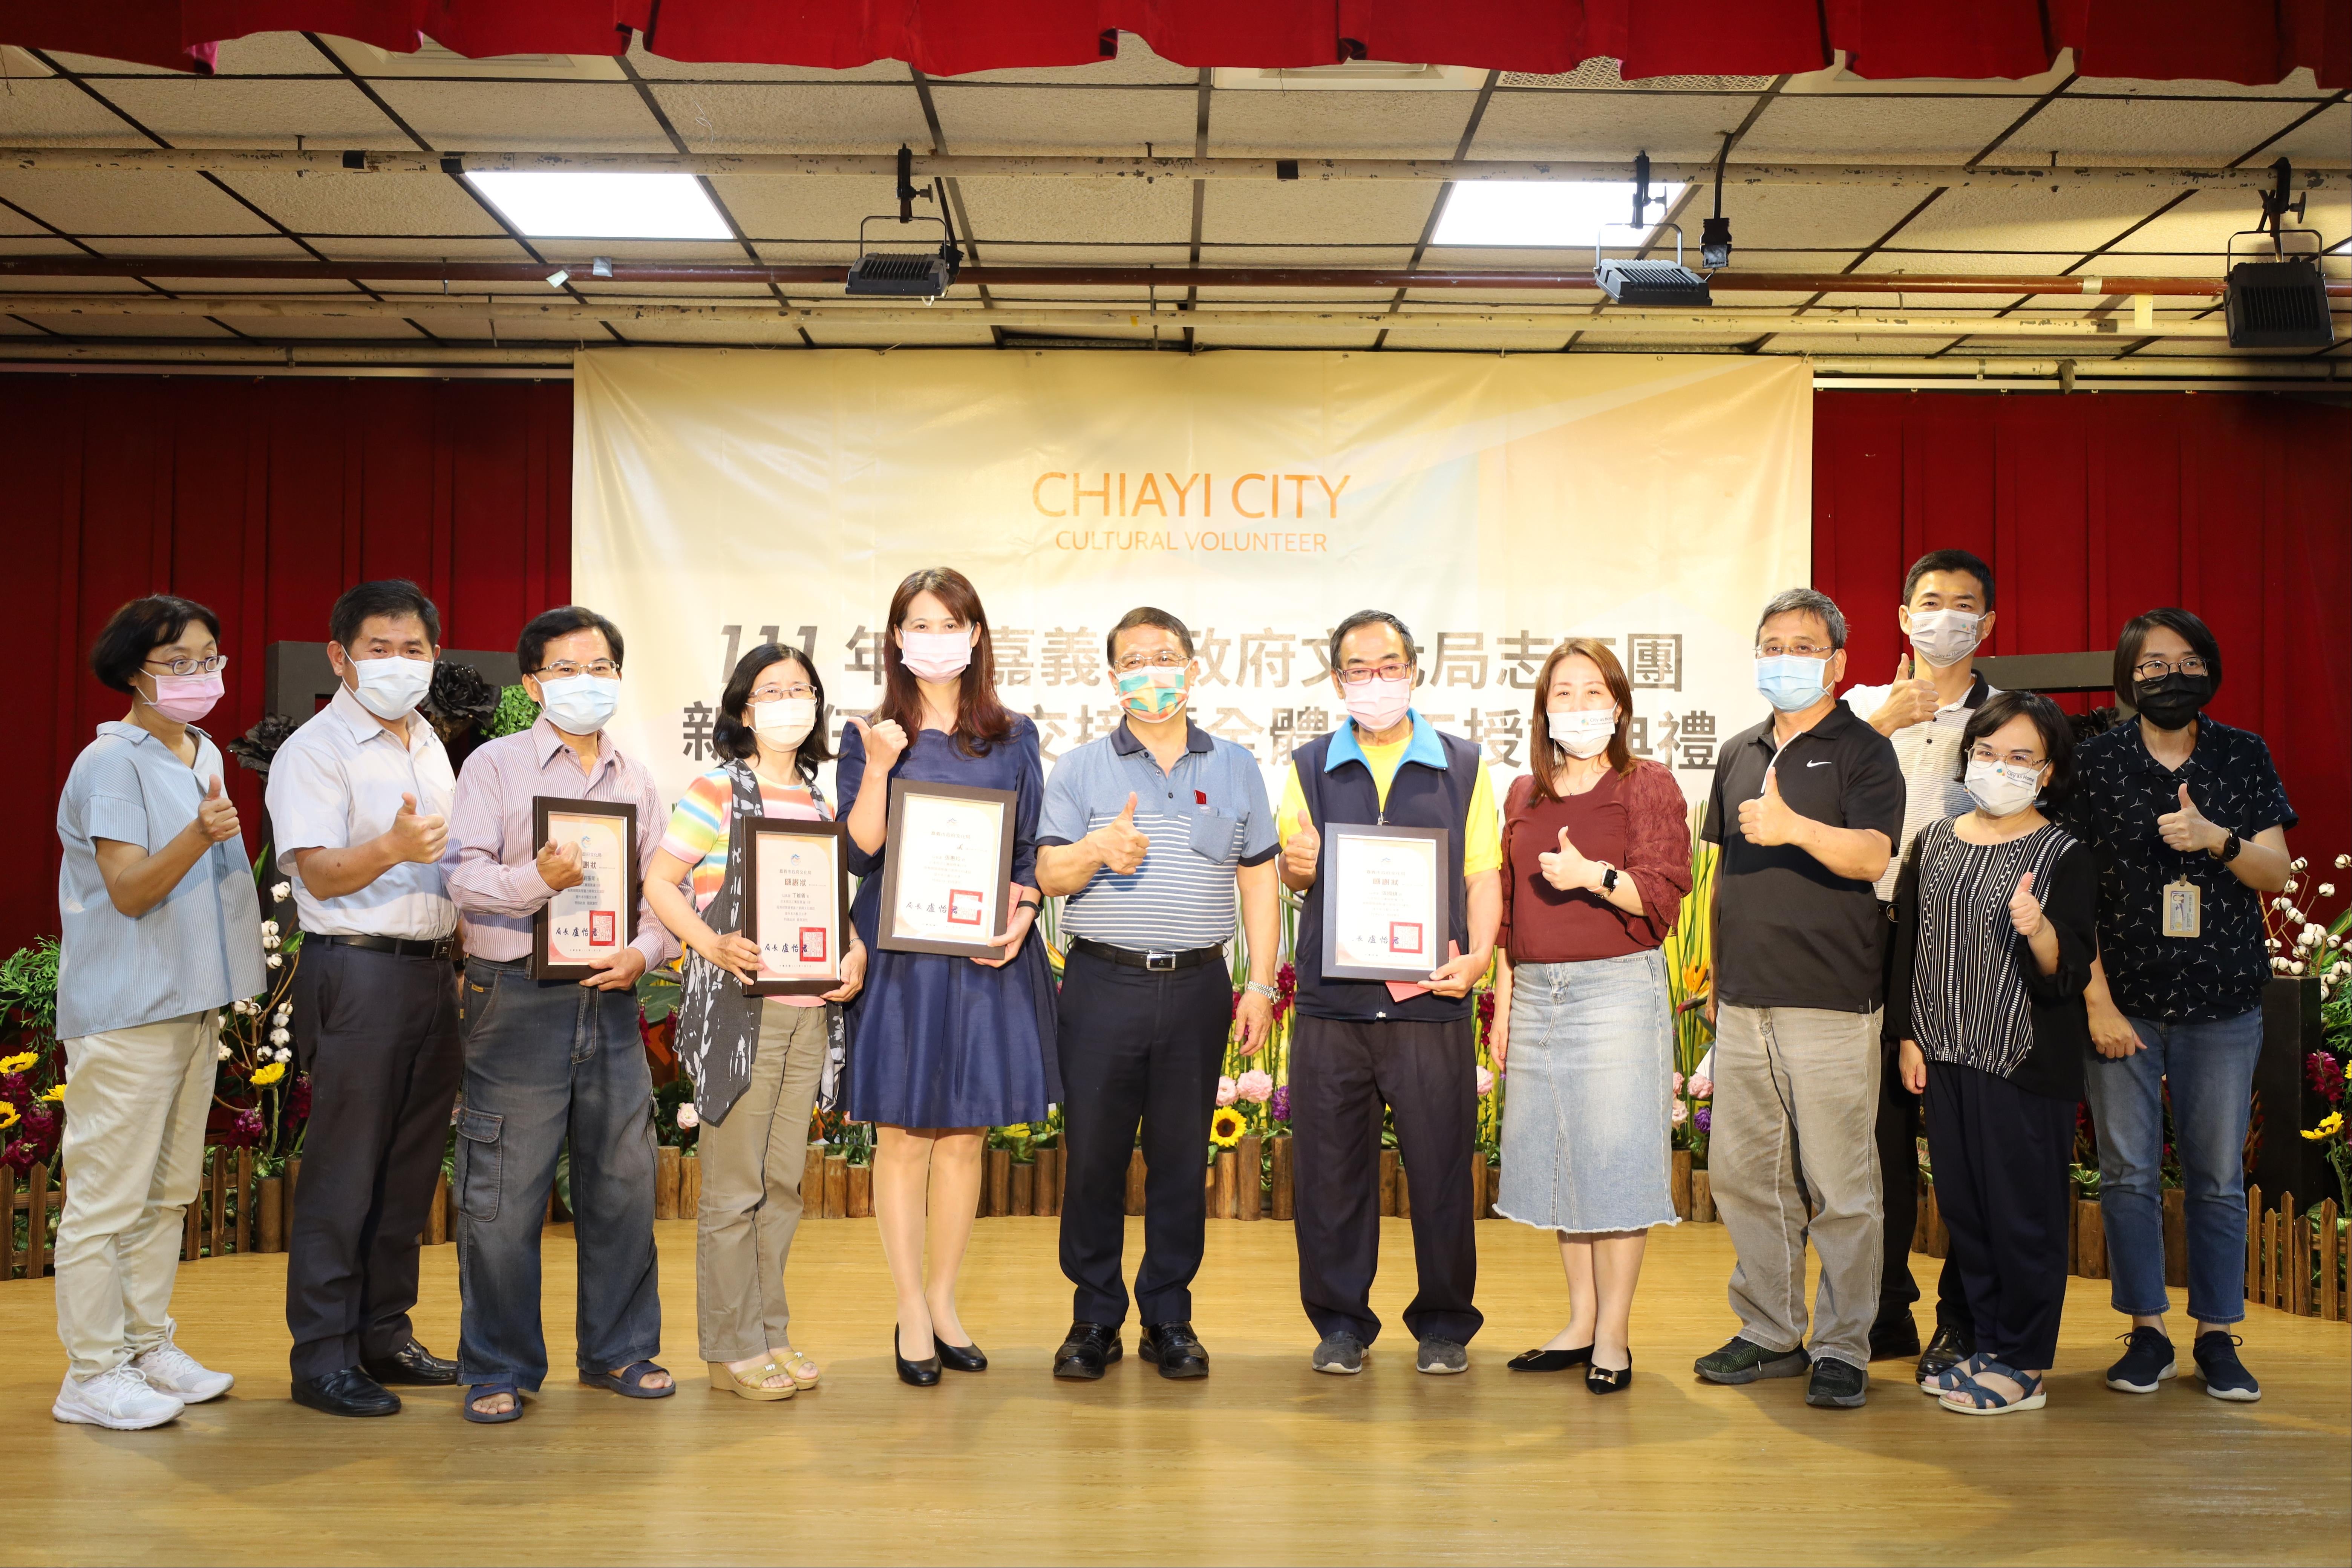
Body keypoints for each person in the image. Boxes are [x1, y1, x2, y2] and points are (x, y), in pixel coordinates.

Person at [443, 605, 679, 1422]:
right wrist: (535, 882)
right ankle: (498, 1364)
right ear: (534, 683)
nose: (588, 681)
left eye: (602, 667)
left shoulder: (636, 779)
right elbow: (461, 875)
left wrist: (643, 953)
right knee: (504, 1192)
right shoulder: (494, 766)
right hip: (516, 997)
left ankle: (620, 1350)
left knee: (622, 1183)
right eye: (568, 669)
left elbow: (663, 894)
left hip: (610, 998)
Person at [1034, 608, 1280, 1382]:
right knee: (1094, 1159)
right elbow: (1048, 875)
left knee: (1181, 1159)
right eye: (1134, 661)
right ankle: (1094, 1318)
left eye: (1165, 656)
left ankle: (1169, 1316)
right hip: (1102, 984)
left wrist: (1260, 982)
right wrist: (1095, 849)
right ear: (1113, 678)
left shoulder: (1236, 765)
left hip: (1200, 986)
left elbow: (1260, 879)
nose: (1152, 672)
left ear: (1193, 669)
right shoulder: (1079, 769)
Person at [835, 567, 1058, 1387]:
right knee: (901, 1137)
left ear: (975, 635)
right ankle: (908, 1309)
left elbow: (1028, 851)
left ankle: (944, 1301)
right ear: (897, 638)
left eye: (949, 623)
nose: (934, 638)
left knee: (965, 1137)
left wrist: (1024, 912)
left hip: (981, 953)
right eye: (918, 625)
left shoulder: (1014, 735)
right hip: (898, 958)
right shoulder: (872, 735)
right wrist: (879, 766)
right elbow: (857, 851)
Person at [2066, 608, 2294, 1403]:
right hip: (2123, 1005)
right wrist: (2096, 1000)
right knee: (2127, 1174)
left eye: (2189, 661)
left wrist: (2216, 838)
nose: (2172, 676)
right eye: (2154, 664)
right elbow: (2072, 895)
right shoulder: (2093, 763)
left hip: (2223, 1001)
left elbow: (2278, 873)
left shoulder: (2243, 753)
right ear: (2129, 677)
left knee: (2218, 1177)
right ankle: (2148, 1331)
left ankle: (2217, 1335)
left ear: (2212, 671)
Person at [48, 596, 262, 1430]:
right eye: (178, 662)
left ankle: (144, 1346)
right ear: (132, 671)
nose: (199, 675)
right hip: (128, 1010)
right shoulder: (111, 763)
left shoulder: (200, 750)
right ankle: (90, 1372)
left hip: (192, 1004)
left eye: (210, 659)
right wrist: (199, 836)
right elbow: (131, 890)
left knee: (166, 1194)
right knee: (106, 1200)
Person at [1692, 587, 1903, 1410]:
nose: (1784, 660)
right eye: (1771, 645)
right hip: (1745, 1002)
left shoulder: (1864, 750)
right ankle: (1771, 1330)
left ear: (1838, 663)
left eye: (1803, 647)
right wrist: (1718, 982)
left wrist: (1797, 828)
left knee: (1841, 1188)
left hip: (1832, 1003)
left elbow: (1874, 857)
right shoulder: (1738, 750)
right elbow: (1724, 877)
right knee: (1746, 1178)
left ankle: (1844, 1345)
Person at [1276, 609, 1501, 1377]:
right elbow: (1292, 867)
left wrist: (1480, 956)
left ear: (1415, 670)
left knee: (1441, 1172)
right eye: (1359, 669)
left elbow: (1482, 874)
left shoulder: (1462, 765)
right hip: (1333, 1007)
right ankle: (1341, 1323)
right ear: (1337, 679)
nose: (1376, 680)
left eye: (1390, 666)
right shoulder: (1310, 766)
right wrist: (1299, 867)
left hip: (1429, 1002)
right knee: (1330, 1175)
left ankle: (1444, 1323)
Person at [644, 642, 868, 1402]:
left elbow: (830, 904)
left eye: (801, 689)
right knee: (734, 1187)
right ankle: (730, 1346)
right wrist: (707, 942)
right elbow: (661, 880)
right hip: (742, 1014)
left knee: (782, 1185)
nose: (789, 702)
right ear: (744, 709)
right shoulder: (716, 789)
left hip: (809, 1014)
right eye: (772, 690)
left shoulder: (820, 802)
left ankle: (770, 1330)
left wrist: (853, 949)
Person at [266, 579, 464, 1417]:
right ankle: (322, 1357)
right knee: (344, 1172)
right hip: (356, 971)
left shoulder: (430, 742)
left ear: (435, 657)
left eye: (413, 649)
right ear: (339, 657)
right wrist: (390, 847)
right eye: (378, 648)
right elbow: (316, 872)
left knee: (408, 1169)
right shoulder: (315, 751)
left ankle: (383, 1334)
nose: (398, 663)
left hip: (432, 972)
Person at [1488, 638, 1692, 1395]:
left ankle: (1614, 1335)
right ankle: (1579, 1323)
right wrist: (1504, 1004)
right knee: (1561, 1161)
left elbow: (1664, 894)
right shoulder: (1523, 793)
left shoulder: (1647, 783)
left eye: (1593, 692)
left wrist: (1592, 877)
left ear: (1619, 706)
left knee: (1612, 1163)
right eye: (1563, 694)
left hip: (1616, 994)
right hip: (1537, 994)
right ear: (1543, 710)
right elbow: (1508, 911)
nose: (1578, 707)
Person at [1888, 692, 2095, 1415]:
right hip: (1944, 1054)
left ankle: (2024, 1363)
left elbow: (2069, 969)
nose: (1999, 767)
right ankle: (1988, 1344)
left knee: (2022, 1216)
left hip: (2022, 1062)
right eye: (1987, 753)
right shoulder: (1933, 842)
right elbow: (1908, 946)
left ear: (2048, 771)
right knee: (1968, 1213)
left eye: (2019, 757)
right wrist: (1909, 1036)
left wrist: (2038, 928)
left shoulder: (2065, 853)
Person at [1841, 548, 2004, 1376]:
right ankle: (1883, 1306)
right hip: (1866, 934)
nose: (1947, 617)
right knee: (1878, 1138)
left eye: (1964, 604)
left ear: (1988, 623)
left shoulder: (2010, 718)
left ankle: (1966, 1315)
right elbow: (1807, 794)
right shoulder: (1857, 707)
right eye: (1931, 602)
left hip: (1964, 937)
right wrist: (1880, 726)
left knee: (1968, 1134)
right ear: (1905, 618)